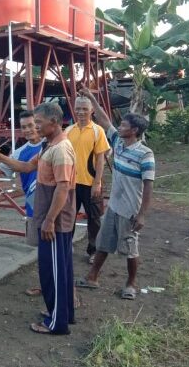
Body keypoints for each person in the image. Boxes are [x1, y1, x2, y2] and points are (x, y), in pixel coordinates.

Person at [76, 86, 155, 301]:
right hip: (114, 207)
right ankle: (92, 278)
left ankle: (131, 284)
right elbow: (104, 119)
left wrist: (142, 215)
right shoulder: (118, 144)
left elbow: (148, 186)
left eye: (124, 125)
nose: (119, 127)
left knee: (130, 249)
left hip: (129, 210)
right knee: (103, 243)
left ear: (135, 131)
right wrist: (92, 96)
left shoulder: (145, 154)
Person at [26, 102, 77, 335]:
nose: (36, 127)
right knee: (60, 271)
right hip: (52, 220)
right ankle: (63, 314)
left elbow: (63, 188)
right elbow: (27, 166)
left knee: (53, 273)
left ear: (54, 122)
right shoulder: (48, 145)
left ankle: (57, 324)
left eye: (39, 123)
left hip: (55, 223)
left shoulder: (61, 149)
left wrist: (48, 220)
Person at [0, 110, 43, 244]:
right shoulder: (19, 153)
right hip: (33, 205)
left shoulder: (50, 144)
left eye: (30, 125)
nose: (27, 130)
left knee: (56, 245)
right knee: (35, 244)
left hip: (52, 204)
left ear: (38, 124)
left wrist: (0, 156)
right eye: (23, 127)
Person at [65, 96, 110, 264]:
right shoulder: (68, 131)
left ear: (91, 110)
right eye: (78, 108)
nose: (81, 112)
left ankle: (93, 251)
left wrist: (97, 183)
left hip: (90, 183)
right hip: (70, 184)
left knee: (94, 219)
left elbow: (100, 159)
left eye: (84, 108)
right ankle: (66, 245)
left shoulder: (98, 131)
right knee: (68, 216)